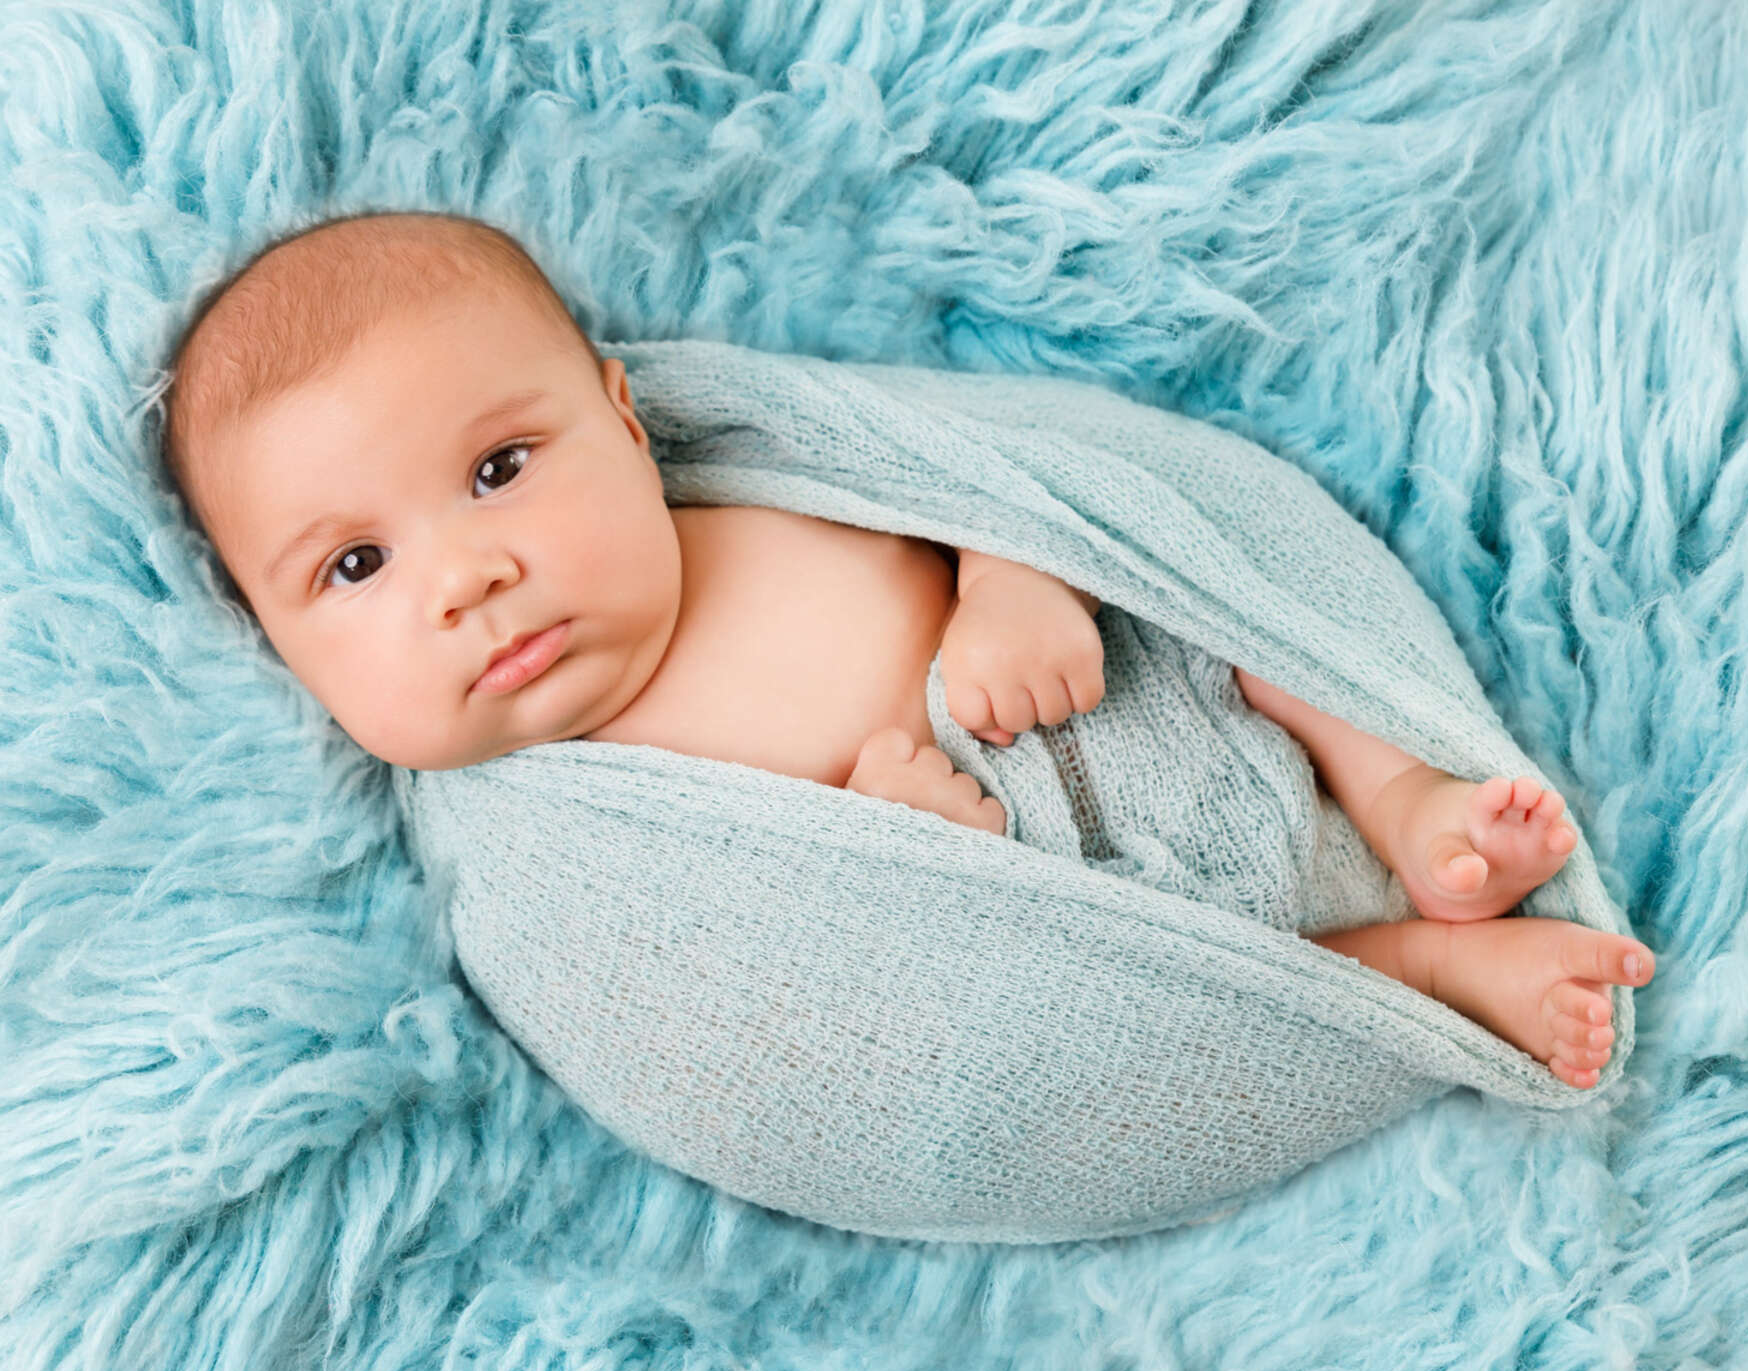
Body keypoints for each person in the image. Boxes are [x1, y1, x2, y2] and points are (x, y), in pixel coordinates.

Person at [157, 210, 1653, 1089]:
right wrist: (914, 863)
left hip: (1152, 689)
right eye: (354, 566)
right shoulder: (558, 864)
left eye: (500, 470)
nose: (468, 576)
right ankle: (1422, 974)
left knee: (1255, 637)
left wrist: (1016, 579)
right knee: (1200, 1000)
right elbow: (776, 1022)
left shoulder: (746, 485)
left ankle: (1406, 804)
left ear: (621, 414)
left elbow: (965, 478)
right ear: (274, 639)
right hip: (1078, 920)